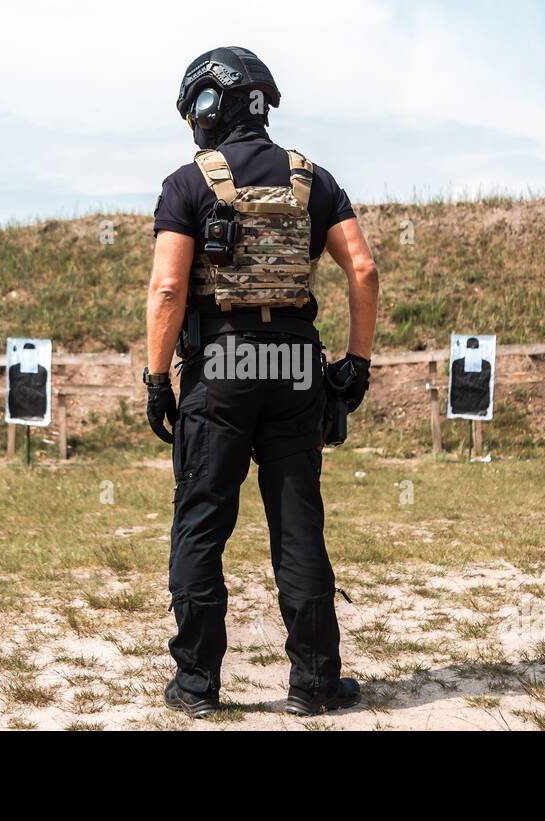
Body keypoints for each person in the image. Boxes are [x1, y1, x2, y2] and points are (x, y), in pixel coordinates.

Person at [144, 46, 379, 717]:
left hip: (222, 364)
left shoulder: (187, 185)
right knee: (299, 525)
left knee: (201, 523)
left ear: (210, 106)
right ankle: (314, 683)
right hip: (296, 365)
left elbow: (167, 289)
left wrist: (158, 380)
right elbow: (361, 270)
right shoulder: (315, 179)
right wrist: (355, 365)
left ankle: (196, 686)